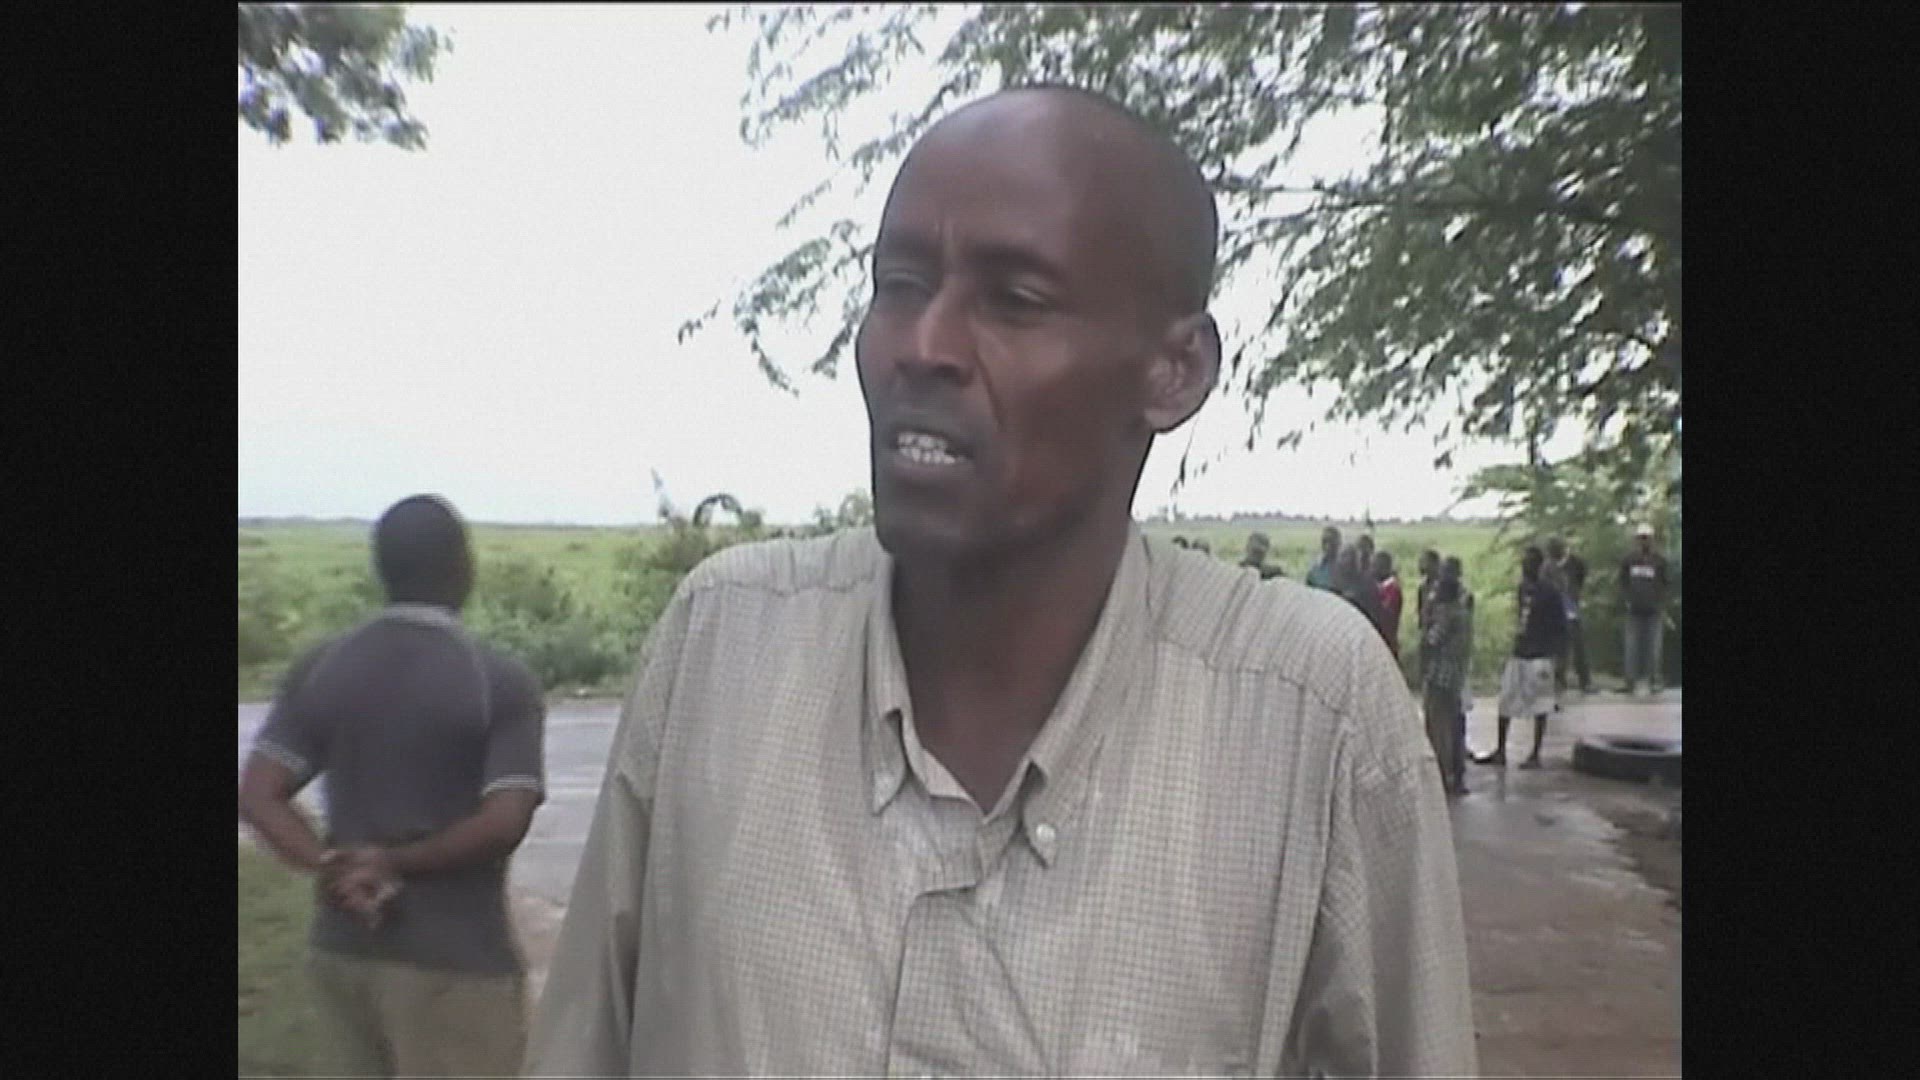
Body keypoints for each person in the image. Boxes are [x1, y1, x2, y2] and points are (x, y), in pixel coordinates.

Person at [527, 85, 1474, 1078]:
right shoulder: (724, 645)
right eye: (900, 284)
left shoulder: (1310, 715)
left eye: (1015, 301)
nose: (922, 346)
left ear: (1175, 370)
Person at [237, 495, 547, 1078]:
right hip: (457, 964)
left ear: (382, 568)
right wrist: (396, 862)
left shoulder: (321, 666)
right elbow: (505, 821)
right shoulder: (498, 679)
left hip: (344, 951)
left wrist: (330, 864)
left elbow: (258, 793)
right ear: (463, 566)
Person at [1475, 546, 1567, 770]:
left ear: (1538, 566)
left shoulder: (1550, 593)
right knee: (1506, 700)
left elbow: (1561, 628)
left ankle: (1535, 754)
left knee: (1541, 705)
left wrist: (1558, 659)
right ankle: (1501, 750)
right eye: (1524, 563)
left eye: (1529, 563)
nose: (1525, 567)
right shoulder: (1523, 588)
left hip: (1541, 654)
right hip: (1520, 651)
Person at [1422, 576, 1471, 797]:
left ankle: (1441, 775)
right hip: (1457, 676)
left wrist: (1427, 616)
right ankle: (1457, 775)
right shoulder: (1463, 613)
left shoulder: (1446, 614)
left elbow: (1431, 640)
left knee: (1439, 728)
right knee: (1455, 726)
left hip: (1440, 677)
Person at [1619, 523, 1670, 695]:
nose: (1644, 541)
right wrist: (1627, 599)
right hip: (1634, 609)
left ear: (1652, 539)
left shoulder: (1660, 560)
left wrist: (1661, 602)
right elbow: (1623, 581)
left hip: (1654, 610)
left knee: (1654, 647)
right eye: (1641, 538)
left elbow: (1666, 583)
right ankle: (1630, 682)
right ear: (1636, 540)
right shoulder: (1628, 559)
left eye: (1647, 538)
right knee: (1632, 647)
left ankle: (1654, 680)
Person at [1441, 556, 1475, 772]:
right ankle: (1456, 760)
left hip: (1451, 667)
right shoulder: (1456, 598)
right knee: (1455, 714)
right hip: (1457, 664)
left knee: (1452, 715)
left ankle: (1453, 760)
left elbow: (1435, 637)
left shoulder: (1457, 599)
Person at [1546, 536, 1591, 693]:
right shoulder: (1547, 567)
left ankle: (1585, 681)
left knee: (1578, 645)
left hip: (1571, 606)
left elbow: (1582, 576)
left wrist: (1576, 593)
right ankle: (1559, 680)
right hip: (1555, 609)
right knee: (1559, 647)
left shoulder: (1575, 562)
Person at [1414, 549, 1442, 682]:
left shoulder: (1444, 587)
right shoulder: (1423, 586)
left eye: (1425, 562)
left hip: (1439, 634)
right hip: (1426, 632)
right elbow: (1420, 609)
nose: (1421, 565)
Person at [1373, 550, 1404, 661]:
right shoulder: (1382, 586)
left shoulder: (1392, 589)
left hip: (1387, 640)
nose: (1372, 569)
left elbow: (1385, 612)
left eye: (1375, 565)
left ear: (1384, 568)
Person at [1304, 524, 1340, 590]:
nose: (1327, 546)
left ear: (1339, 544)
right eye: (1324, 541)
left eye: (1332, 542)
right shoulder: (1316, 565)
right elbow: (1308, 586)